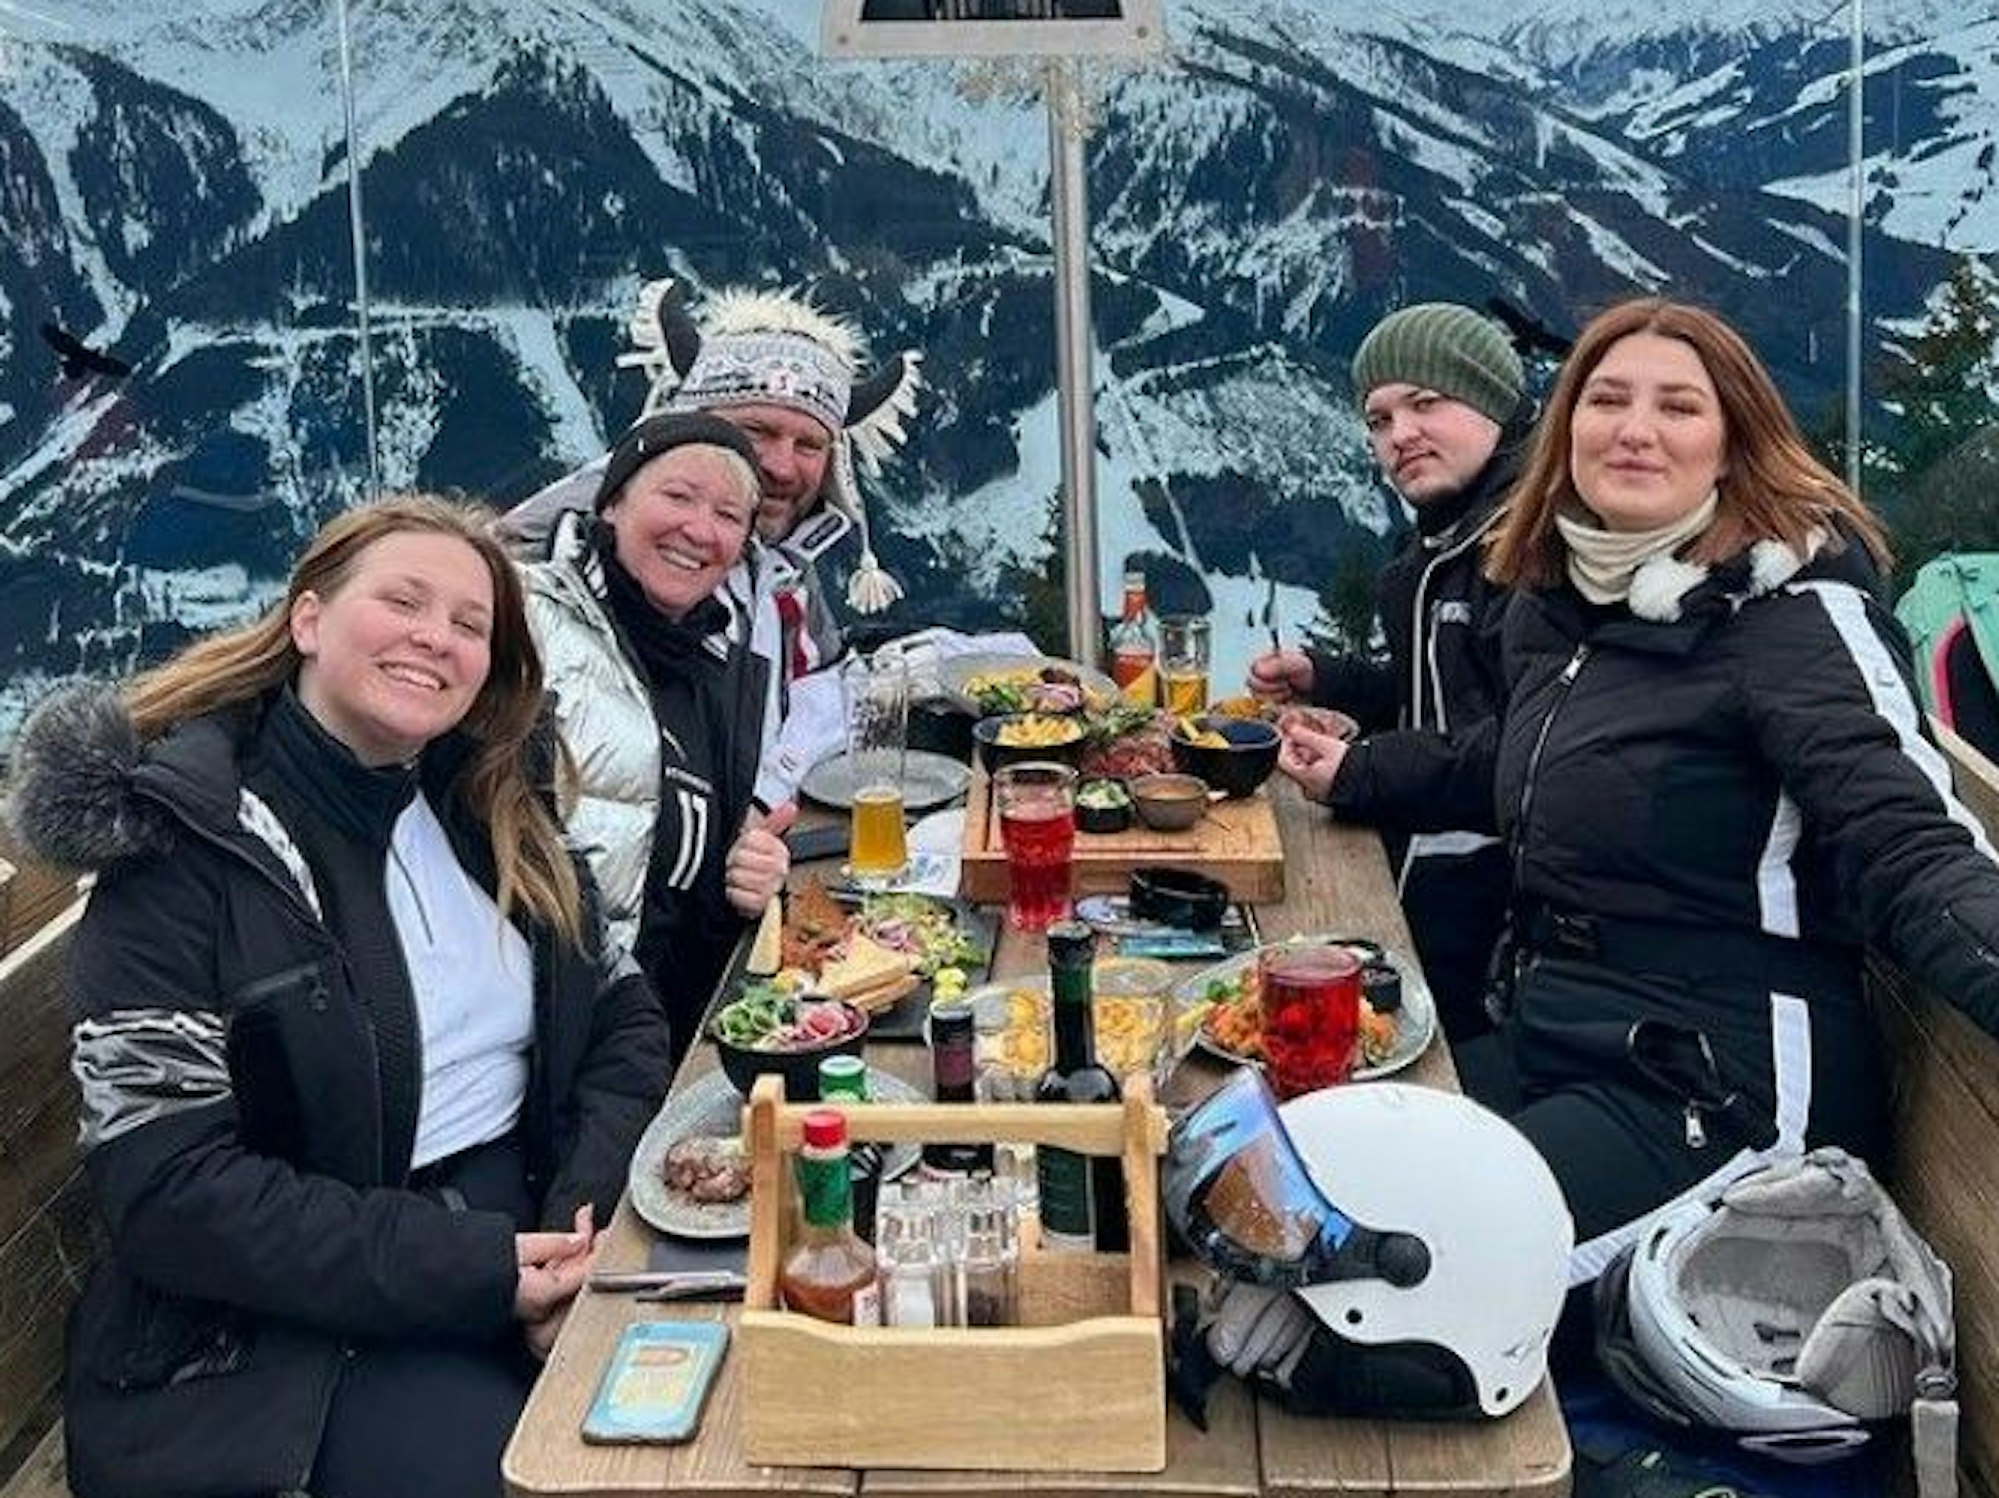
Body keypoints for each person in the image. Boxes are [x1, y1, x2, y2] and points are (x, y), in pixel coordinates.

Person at [1, 497, 672, 1498]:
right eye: (403, 601)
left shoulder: (484, 803)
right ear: (308, 619)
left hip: (524, 1226)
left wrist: (579, 1220)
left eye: (470, 622)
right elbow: (171, 1192)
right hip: (273, 1332)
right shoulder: (190, 851)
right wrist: (478, 1269)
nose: (434, 637)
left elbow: (621, 1015)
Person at [1443, 296, 1999, 1291]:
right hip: (1564, 1035)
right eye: (1605, 398)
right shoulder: (1564, 611)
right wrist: (1353, 768)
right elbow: (1520, 764)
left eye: (1678, 407)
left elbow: (1908, 841)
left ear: (1734, 444)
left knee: (1409, 1271)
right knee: (1302, 1171)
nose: (1635, 428)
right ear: (1564, 427)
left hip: (1726, 1092)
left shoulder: (1794, 620)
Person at [503, 277, 925, 808]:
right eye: (756, 431)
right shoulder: (581, 556)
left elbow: (821, 682)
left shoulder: (784, 566)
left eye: (808, 444)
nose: (781, 466)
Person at [1254, 302, 1530, 1037]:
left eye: (1425, 403)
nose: (1399, 434)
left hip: (1498, 937)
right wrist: (1331, 681)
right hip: (1437, 886)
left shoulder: (1534, 545)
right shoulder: (1446, 543)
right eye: (1378, 420)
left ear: (1492, 400)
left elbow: (1528, 748)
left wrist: (1362, 771)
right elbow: (1441, 696)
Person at [520, 411, 794, 1060]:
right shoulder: (523, 618)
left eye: (728, 516)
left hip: (651, 1044)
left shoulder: (716, 672)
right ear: (611, 503)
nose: (699, 530)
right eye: (677, 496)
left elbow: (681, 895)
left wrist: (744, 882)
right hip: (539, 1043)